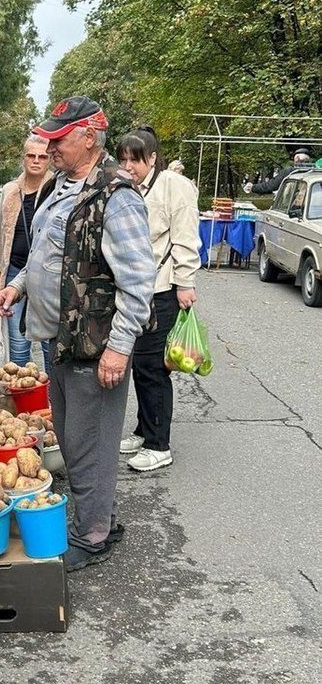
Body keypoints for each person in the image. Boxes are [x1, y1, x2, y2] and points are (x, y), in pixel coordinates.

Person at [0, 96, 156, 571]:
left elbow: (138, 279)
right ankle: (97, 514)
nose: (49, 144)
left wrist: (119, 349)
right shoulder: (62, 186)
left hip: (94, 346)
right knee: (71, 437)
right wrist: (20, 286)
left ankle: (93, 533)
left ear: (88, 138)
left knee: (90, 442)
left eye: (58, 137)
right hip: (61, 341)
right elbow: (47, 252)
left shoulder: (116, 195)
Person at [117, 128, 201, 471]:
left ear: (152, 158)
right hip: (136, 289)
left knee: (153, 367)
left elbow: (185, 236)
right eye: (123, 159)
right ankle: (142, 428)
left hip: (163, 289)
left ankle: (158, 444)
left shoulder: (172, 185)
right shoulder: (130, 186)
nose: (128, 165)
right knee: (139, 363)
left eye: (134, 159)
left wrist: (185, 282)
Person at [0, 134, 54, 365]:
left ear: (49, 160)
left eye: (42, 156)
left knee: (51, 344)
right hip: (14, 272)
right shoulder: (10, 191)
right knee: (18, 344)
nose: (36, 160)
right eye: (31, 155)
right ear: (23, 158)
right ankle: (24, 398)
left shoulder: (57, 189)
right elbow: (0, 234)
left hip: (48, 275)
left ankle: (53, 400)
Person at [244, 150, 313, 195]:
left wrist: (253, 187)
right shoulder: (315, 172)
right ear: (309, 161)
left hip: (294, 205)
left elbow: (272, 185)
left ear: (296, 160)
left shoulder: (290, 172)